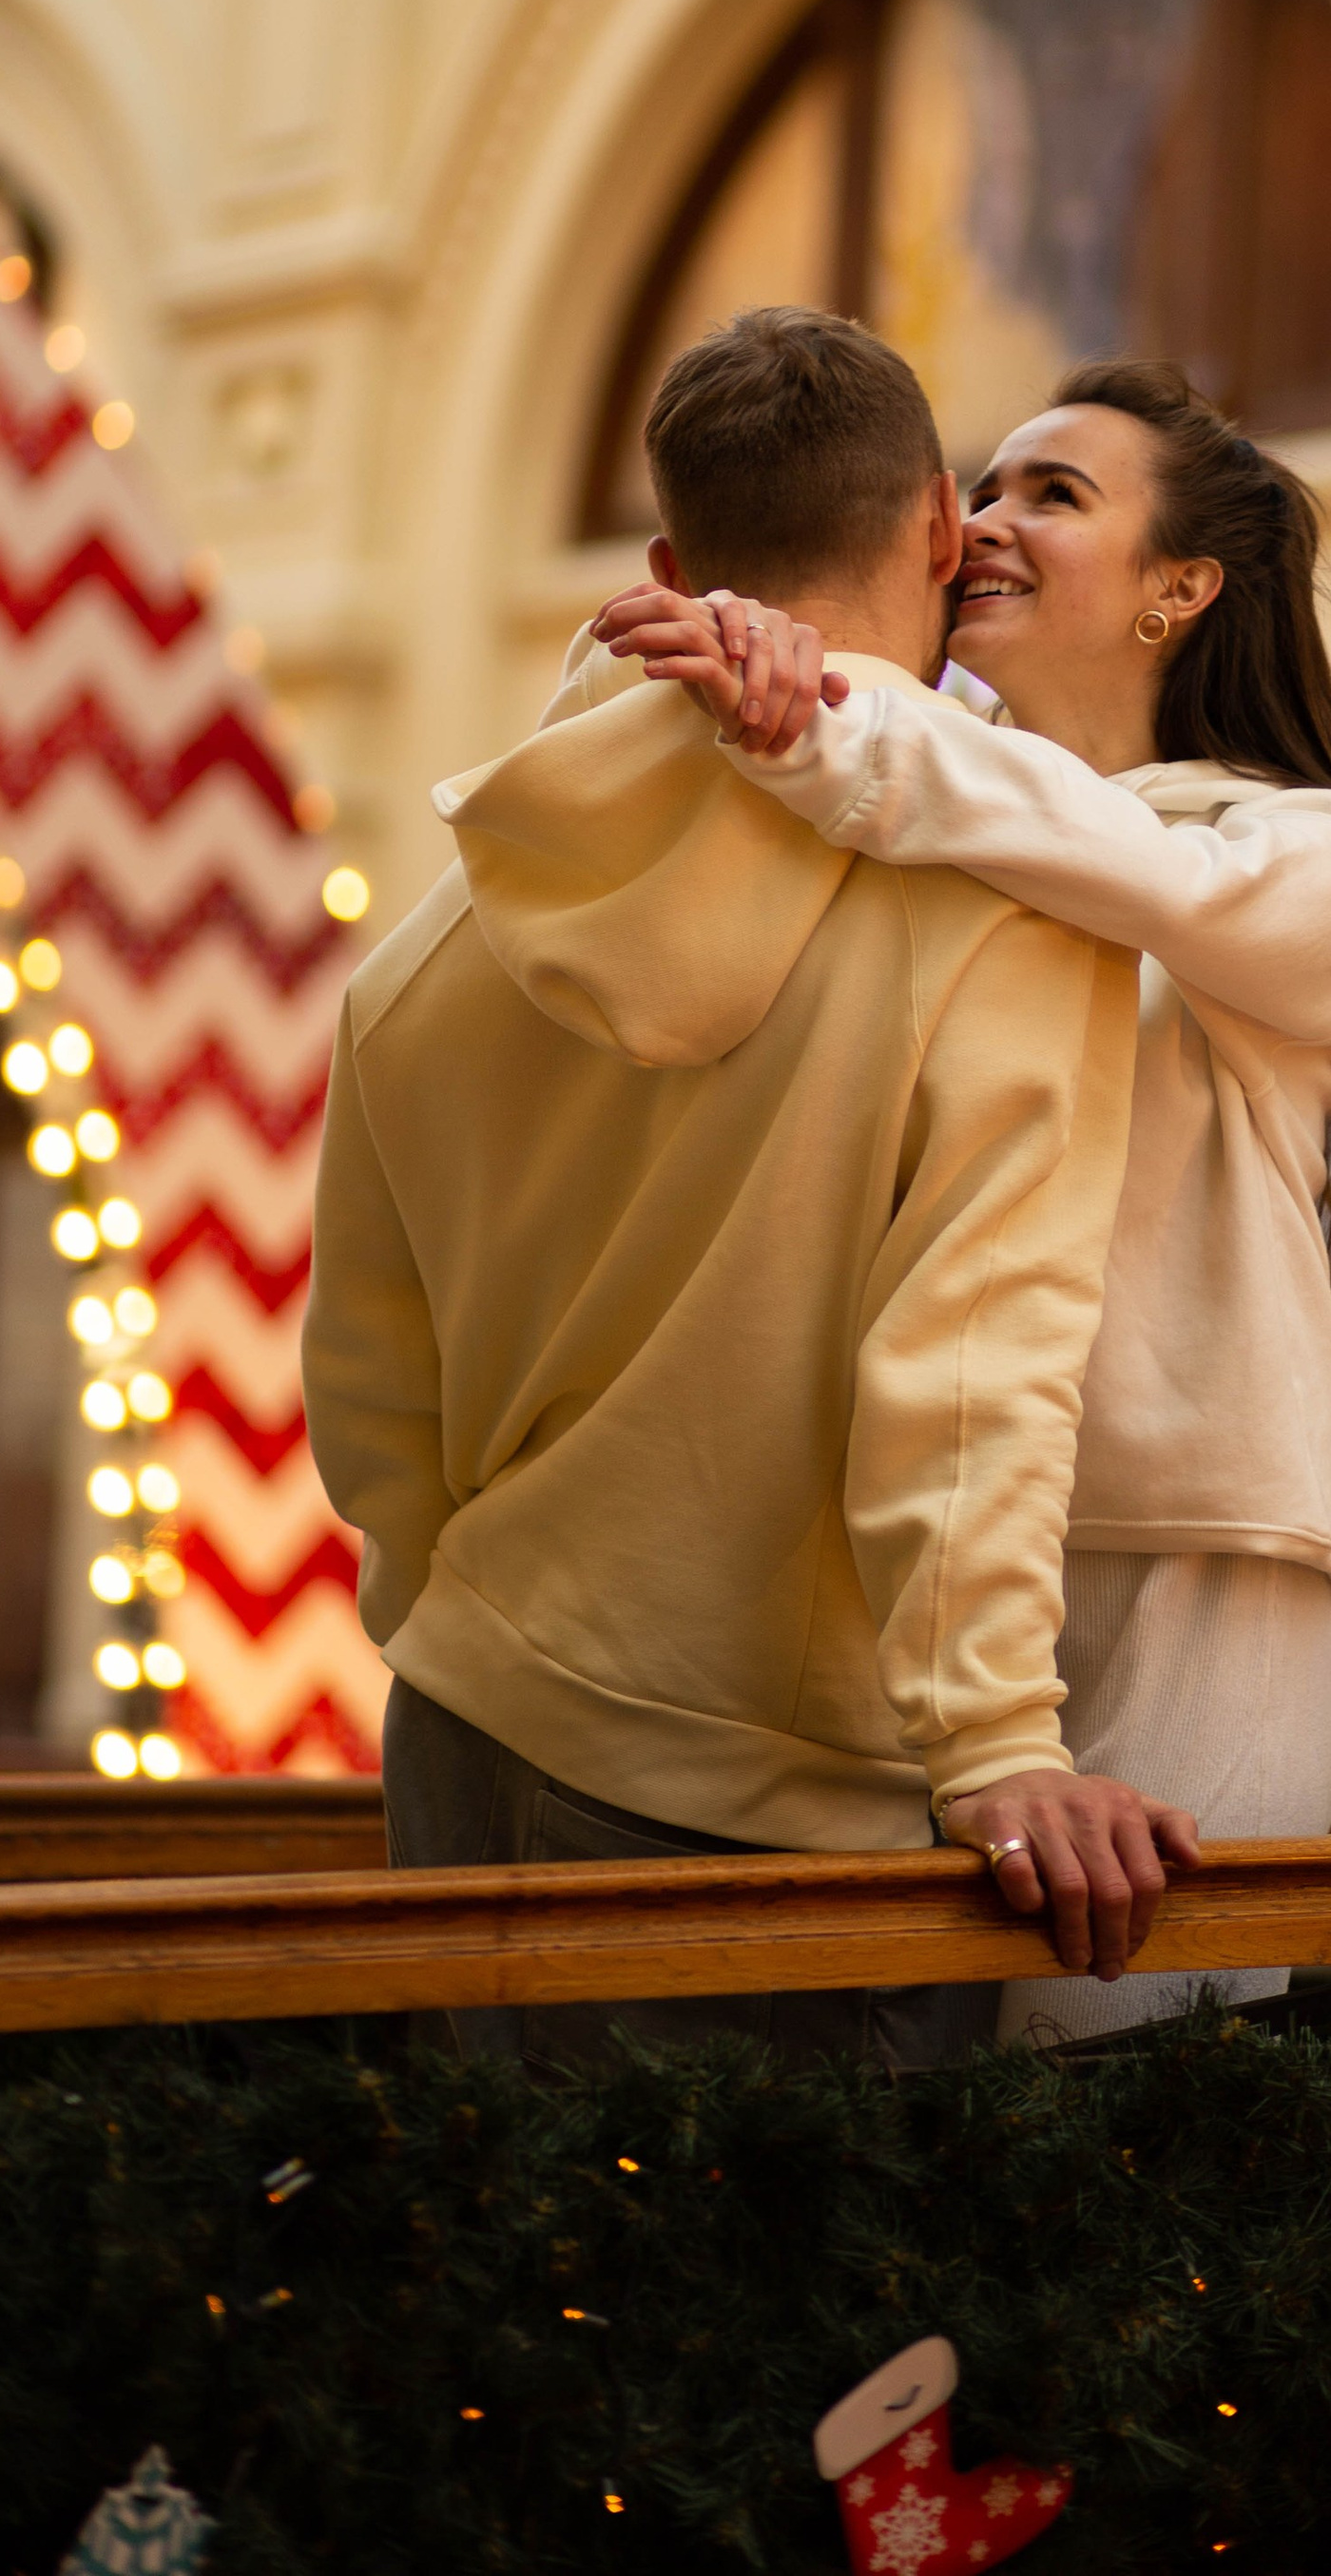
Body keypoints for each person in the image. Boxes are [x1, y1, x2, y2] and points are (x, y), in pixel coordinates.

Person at [302, 311, 1197, 2070]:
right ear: (944, 530)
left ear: (665, 566)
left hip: (463, 1730)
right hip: (768, 1822)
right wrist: (1000, 1739)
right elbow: (972, 1357)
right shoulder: (1018, 904)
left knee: (482, 2325)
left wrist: (471, 1615)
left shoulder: (429, 949)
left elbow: (364, 1380)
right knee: (784, 2348)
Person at [586, 356, 1331, 2040]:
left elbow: (1121, 866)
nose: (982, 523)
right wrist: (758, 657)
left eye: (1054, 495)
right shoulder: (910, 774)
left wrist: (827, 703)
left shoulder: (1308, 857)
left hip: (1183, 1561)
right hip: (905, 1560)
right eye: (980, 489)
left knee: (1122, 2101)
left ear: (1183, 589)